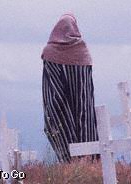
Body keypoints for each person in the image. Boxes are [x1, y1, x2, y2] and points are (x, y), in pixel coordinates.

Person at [41, 13, 99, 162]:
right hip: (82, 106)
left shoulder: (49, 52)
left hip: (59, 107)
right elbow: (86, 92)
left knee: (57, 118)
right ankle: (87, 158)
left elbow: (51, 89)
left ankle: (69, 161)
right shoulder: (83, 51)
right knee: (84, 114)